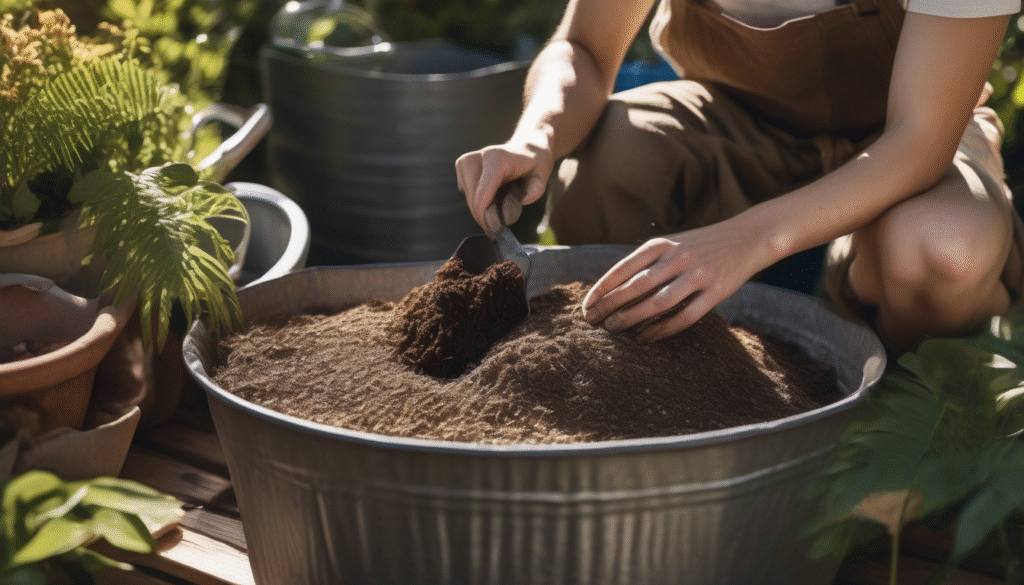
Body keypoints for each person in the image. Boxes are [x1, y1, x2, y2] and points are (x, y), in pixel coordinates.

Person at [455, 0, 1024, 356]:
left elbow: (920, 141)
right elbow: (584, 48)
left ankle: (893, 389)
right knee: (615, 160)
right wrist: (538, 135)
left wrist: (749, 239)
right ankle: (638, 359)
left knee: (945, 249)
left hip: (906, 141)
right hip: (735, 121)